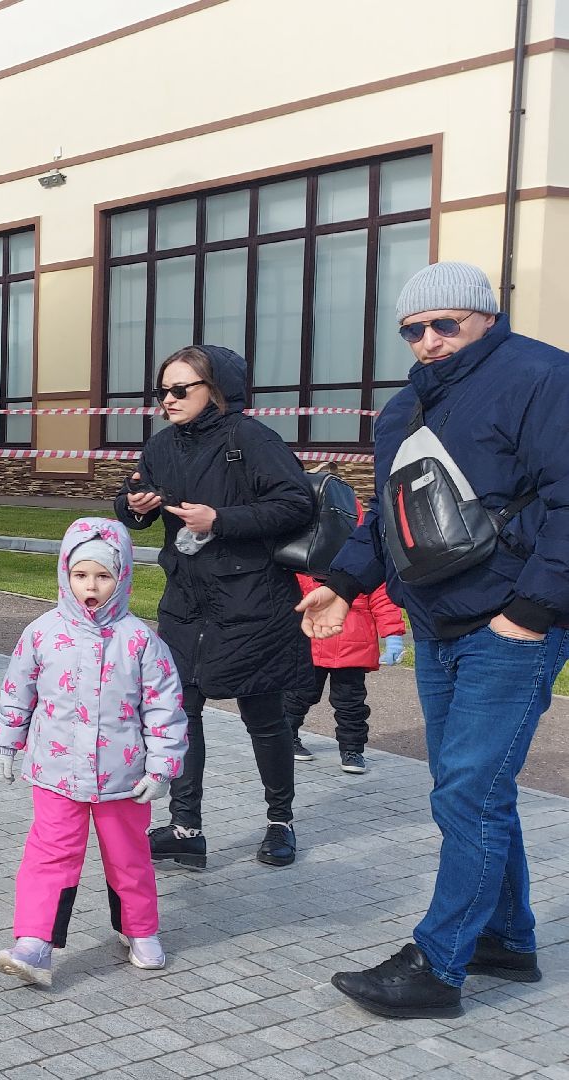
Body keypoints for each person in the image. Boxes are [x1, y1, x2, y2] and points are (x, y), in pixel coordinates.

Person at [300, 263, 569, 1019]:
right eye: (413, 330)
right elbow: (387, 518)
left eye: (444, 324)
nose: (427, 341)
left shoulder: (543, 378)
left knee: (467, 793)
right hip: (438, 623)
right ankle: (508, 941)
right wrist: (346, 583)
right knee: (473, 792)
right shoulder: (404, 408)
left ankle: (439, 965)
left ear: (484, 317)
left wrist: (534, 610)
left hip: (510, 627)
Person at [114, 345, 314, 869]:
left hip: (253, 603)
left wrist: (220, 519)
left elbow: (296, 504)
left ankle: (280, 822)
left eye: (182, 389)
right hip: (186, 603)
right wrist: (132, 506)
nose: (169, 400)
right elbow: (135, 497)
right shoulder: (162, 446)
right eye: (163, 391)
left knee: (263, 716)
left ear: (216, 392)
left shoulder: (251, 439)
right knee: (179, 714)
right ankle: (186, 829)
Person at [0, 519, 186, 988]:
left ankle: (139, 929)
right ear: (65, 575)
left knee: (128, 856)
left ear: (120, 579)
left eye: (102, 576)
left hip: (122, 777)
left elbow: (164, 707)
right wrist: (7, 739)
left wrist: (161, 767)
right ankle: (34, 942)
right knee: (50, 855)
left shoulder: (139, 640)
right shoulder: (42, 633)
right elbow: (19, 690)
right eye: (81, 575)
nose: (90, 586)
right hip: (56, 774)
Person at [285, 508, 405, 775]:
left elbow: (383, 600)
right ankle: (289, 738)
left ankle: (352, 750)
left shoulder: (362, 564)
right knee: (301, 695)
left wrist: (393, 636)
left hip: (350, 643)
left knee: (349, 703)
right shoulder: (311, 558)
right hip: (315, 639)